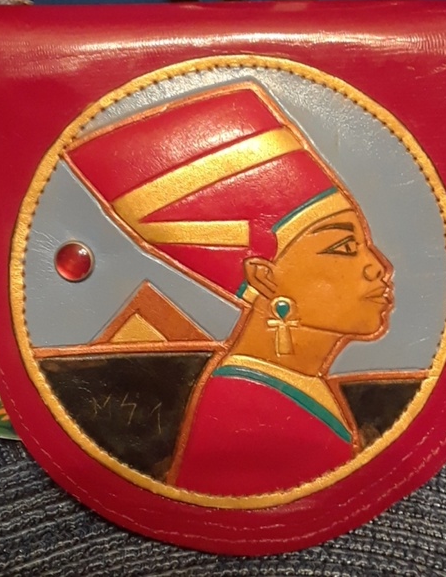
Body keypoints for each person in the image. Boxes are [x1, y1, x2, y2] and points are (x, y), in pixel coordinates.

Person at [67, 82, 394, 495]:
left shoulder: (293, 382)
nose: (380, 268)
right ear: (264, 277)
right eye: (344, 247)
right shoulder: (249, 405)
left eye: (366, 246)